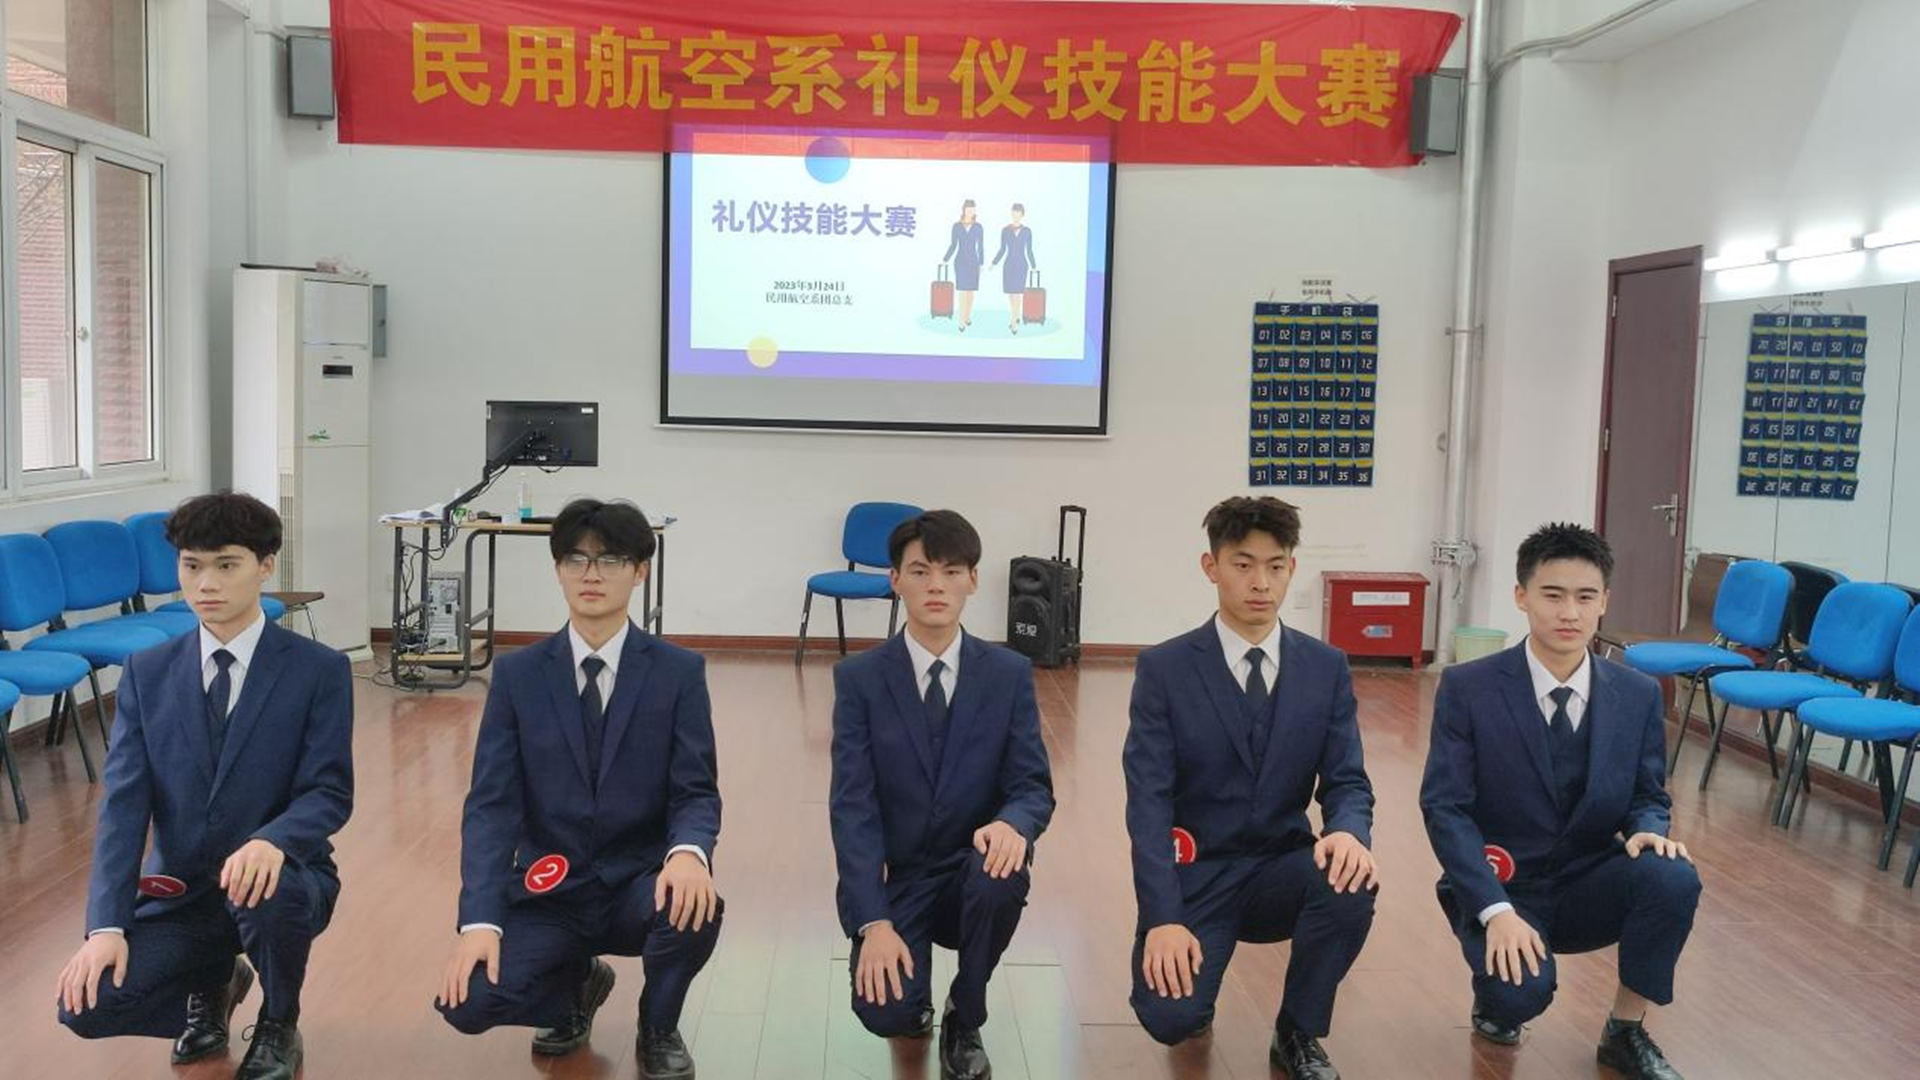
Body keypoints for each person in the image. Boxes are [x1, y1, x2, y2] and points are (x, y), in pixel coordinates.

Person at [56, 492, 354, 1080]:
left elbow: (329, 792)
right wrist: (106, 927)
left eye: (226, 564)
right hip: (183, 893)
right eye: (192, 566)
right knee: (86, 1007)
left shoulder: (319, 670)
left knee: (266, 891)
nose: (206, 583)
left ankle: (279, 1022)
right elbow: (123, 811)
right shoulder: (146, 672)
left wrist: (273, 840)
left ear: (265, 566)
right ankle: (216, 978)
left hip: (283, 882)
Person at [435, 499, 720, 1080]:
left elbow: (696, 790)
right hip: (552, 889)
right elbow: (491, 807)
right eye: (575, 559)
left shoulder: (678, 673)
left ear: (640, 570)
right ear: (558, 569)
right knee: (467, 1004)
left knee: (696, 906)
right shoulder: (518, 675)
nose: (591, 574)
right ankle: (575, 987)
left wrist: (690, 853)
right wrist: (480, 922)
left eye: (610, 560)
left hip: (637, 882)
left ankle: (658, 1025)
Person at [1419, 523, 1700, 1080]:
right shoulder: (1468, 688)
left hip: (1588, 881)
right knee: (1516, 998)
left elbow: (1647, 793)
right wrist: (1495, 910)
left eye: (1585, 597)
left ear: (1604, 602)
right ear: (1521, 596)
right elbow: (1445, 808)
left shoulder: (1638, 694)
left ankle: (1625, 1032)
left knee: (1673, 876)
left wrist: (1649, 827)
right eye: (1553, 595)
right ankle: (1496, 997)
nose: (1569, 612)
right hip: (1504, 885)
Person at [1123, 496, 1377, 1080]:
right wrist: (1162, 917)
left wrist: (1348, 831)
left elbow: (1347, 779)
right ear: (1211, 567)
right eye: (1242, 564)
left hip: (1281, 868)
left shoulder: (1326, 667)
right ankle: (1197, 986)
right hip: (1197, 874)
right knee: (1172, 1018)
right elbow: (1148, 804)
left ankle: (1297, 1030)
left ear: (1291, 568)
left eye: (1275, 566)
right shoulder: (1164, 669)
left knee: (1351, 879)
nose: (1260, 582)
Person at [830, 509, 1054, 1080]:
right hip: (898, 879)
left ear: (973, 580)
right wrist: (873, 923)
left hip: (970, 872)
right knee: (889, 1014)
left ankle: (966, 1013)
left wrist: (1014, 824)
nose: (936, 585)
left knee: (1003, 870)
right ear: (894, 580)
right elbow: (852, 808)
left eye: (952, 571)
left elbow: (1031, 785)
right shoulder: (859, 679)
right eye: (920, 571)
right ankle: (914, 987)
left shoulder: (1008, 673)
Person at [991, 203, 1037, 333]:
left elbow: (1029, 250)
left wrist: (1034, 266)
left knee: (1017, 293)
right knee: (1011, 294)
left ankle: (1014, 321)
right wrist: (993, 263)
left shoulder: (1027, 231)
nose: (1016, 216)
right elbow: (1002, 249)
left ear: (1022, 215)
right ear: (1012, 214)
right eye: (1014, 213)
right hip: (1009, 265)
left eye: (1018, 214)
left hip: (1021, 265)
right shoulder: (1005, 230)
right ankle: (1016, 316)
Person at [941, 199, 986, 331]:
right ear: (964, 210)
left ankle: (967, 316)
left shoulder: (978, 227)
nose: (970, 212)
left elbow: (980, 246)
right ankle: (961, 320)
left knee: (970, 291)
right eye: (968, 209)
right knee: (962, 291)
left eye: (973, 210)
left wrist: (981, 264)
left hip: (973, 262)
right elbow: (953, 245)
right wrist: (945, 259)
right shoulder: (956, 226)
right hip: (960, 261)